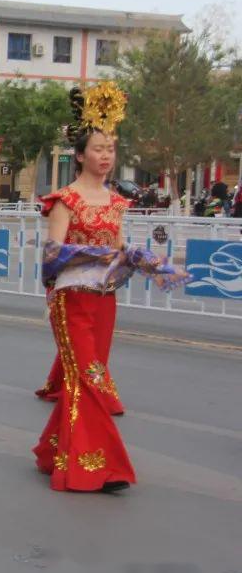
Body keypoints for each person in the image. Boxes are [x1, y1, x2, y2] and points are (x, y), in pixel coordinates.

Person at [33, 84, 189, 493]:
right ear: (80, 155)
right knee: (88, 378)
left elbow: (118, 247)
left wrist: (151, 263)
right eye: (98, 148)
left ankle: (54, 450)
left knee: (90, 376)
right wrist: (93, 254)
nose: (106, 155)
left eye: (111, 149)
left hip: (105, 301)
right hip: (71, 300)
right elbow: (51, 255)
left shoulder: (116, 202)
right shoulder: (64, 200)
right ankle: (97, 464)